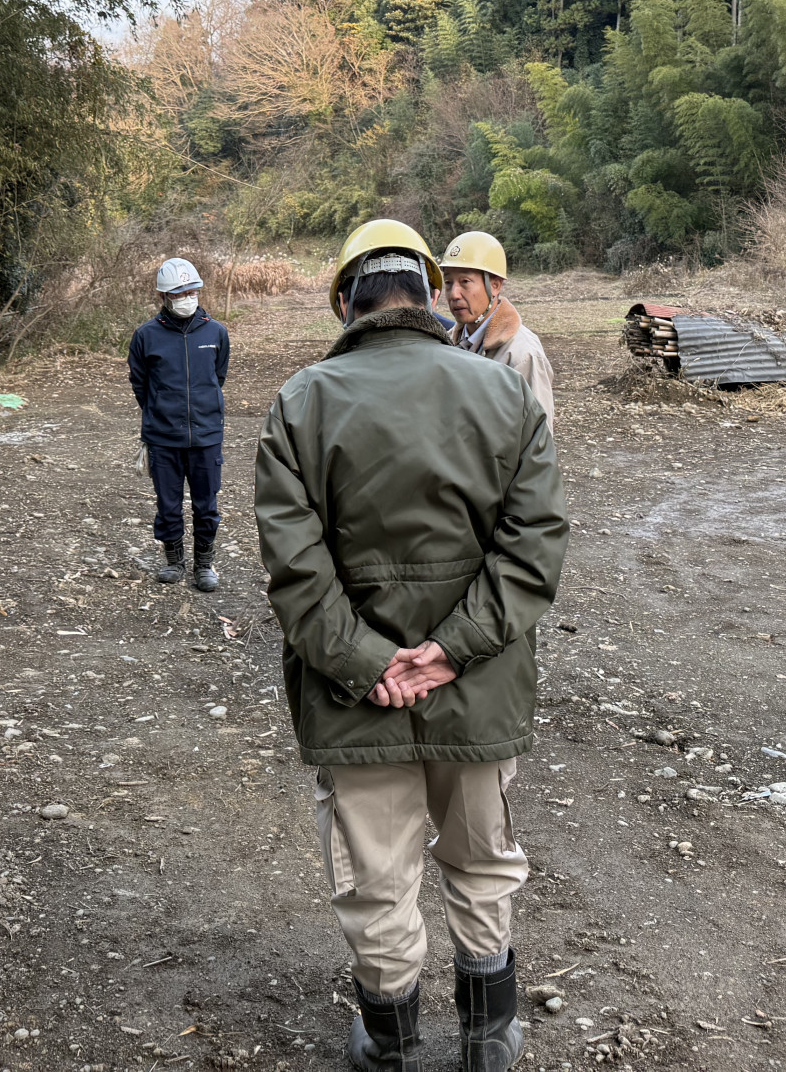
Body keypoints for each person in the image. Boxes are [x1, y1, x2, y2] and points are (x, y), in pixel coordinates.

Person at [255, 218, 567, 1072]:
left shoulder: (300, 402)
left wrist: (368, 662)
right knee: (481, 860)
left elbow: (295, 567)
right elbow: (535, 544)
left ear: (344, 302)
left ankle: (389, 1042)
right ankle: (487, 1039)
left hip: (353, 695)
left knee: (376, 877)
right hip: (479, 683)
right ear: (430, 294)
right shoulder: (503, 393)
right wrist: (451, 650)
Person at [127, 257, 230, 590]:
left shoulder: (216, 332)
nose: (187, 297)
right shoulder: (146, 336)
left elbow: (218, 376)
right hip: (163, 438)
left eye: (192, 291)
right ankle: (174, 561)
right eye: (179, 293)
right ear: (163, 297)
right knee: (168, 505)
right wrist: (160, 413)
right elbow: (140, 384)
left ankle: (204, 564)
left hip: (206, 435)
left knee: (206, 505)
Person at [439, 231, 554, 432]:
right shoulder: (446, 345)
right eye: (448, 283)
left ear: (495, 285)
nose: (454, 294)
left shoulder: (522, 355)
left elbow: (540, 438)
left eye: (465, 282)